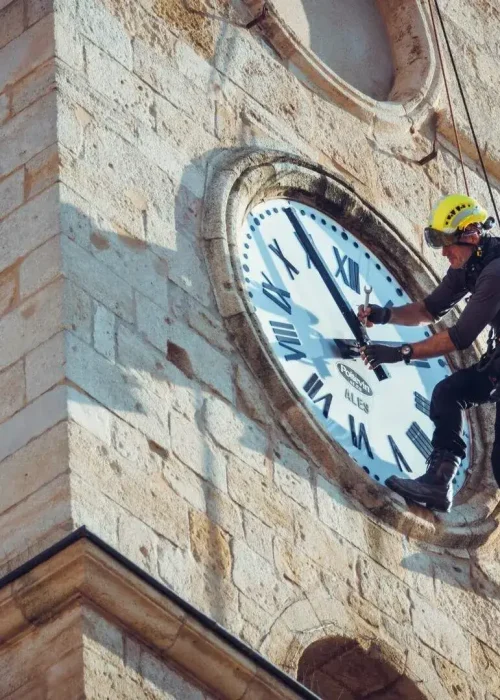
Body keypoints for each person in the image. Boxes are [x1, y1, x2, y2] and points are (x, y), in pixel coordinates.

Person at [358, 194, 500, 512]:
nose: (445, 252)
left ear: (472, 234)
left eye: (448, 243)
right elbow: (428, 309)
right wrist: (384, 315)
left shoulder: (494, 272)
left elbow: (461, 336)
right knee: (448, 394)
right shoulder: (470, 266)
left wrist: (401, 352)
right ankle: (438, 483)